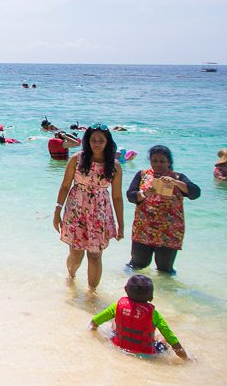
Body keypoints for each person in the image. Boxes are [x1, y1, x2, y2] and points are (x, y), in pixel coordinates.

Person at [52, 124, 124, 289]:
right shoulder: (77, 159)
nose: (96, 144)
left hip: (100, 213)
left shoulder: (114, 166)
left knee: (95, 255)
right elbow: (64, 186)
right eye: (93, 140)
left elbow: (117, 197)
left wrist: (121, 224)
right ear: (87, 141)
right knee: (76, 255)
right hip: (76, 211)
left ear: (108, 142)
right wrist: (57, 211)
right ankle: (71, 278)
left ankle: (92, 295)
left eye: (101, 140)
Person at [127, 145, 200, 274]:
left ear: (169, 162)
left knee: (165, 270)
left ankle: (165, 292)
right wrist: (144, 193)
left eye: (162, 161)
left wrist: (175, 183)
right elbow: (131, 196)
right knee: (137, 265)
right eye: (154, 161)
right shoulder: (142, 175)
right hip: (143, 229)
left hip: (169, 232)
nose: (158, 164)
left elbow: (195, 193)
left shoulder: (178, 177)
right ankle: (134, 290)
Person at [90, 275, 188, 360]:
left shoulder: (117, 306)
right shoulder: (154, 314)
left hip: (119, 346)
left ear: (125, 289)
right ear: (151, 298)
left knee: (114, 322)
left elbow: (94, 322)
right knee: (162, 338)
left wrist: (92, 332)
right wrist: (186, 358)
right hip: (146, 354)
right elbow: (173, 342)